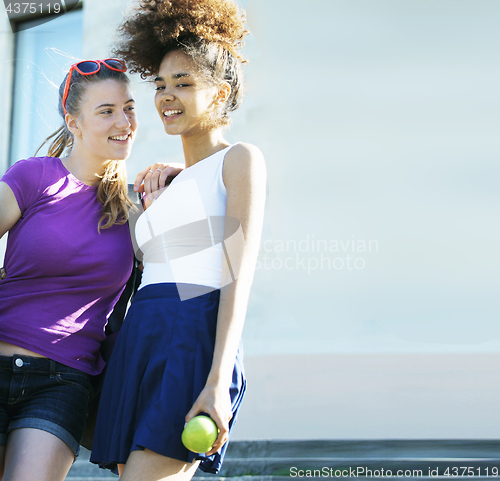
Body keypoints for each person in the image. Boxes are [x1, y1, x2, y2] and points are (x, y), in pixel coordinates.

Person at [89, 0, 267, 480]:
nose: (167, 96)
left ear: (220, 91)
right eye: (161, 85)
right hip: (140, 334)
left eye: (185, 83)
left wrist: (217, 382)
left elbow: (237, 272)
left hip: (191, 332)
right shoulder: (165, 184)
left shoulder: (240, 160)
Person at [0, 58, 138, 481]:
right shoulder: (33, 177)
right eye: (107, 111)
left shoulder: (133, 209)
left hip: (63, 382)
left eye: (129, 108)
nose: (124, 122)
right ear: (73, 122)